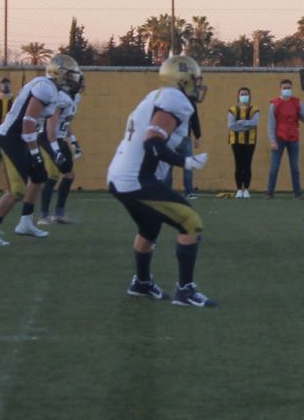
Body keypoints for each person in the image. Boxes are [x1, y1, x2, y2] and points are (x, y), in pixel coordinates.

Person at [106, 55, 215, 307]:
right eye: (194, 80)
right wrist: (185, 162)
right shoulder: (175, 99)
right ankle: (185, 291)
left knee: (149, 229)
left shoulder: (154, 96)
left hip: (118, 176)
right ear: (182, 80)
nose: (197, 86)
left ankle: (142, 283)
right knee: (190, 222)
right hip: (137, 179)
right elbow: (153, 142)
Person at [0, 54, 81, 246]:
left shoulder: (52, 89)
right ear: (57, 73)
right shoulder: (45, 88)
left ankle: (25, 223)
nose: (71, 79)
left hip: (24, 138)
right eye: (68, 75)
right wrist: (35, 154)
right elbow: (27, 122)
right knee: (17, 190)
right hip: (12, 138)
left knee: (39, 177)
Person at [39, 79, 83, 224]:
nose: (81, 85)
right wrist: (56, 149)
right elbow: (50, 126)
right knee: (52, 175)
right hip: (48, 139)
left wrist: (74, 141)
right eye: (77, 82)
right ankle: (43, 216)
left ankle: (58, 213)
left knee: (69, 175)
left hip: (60, 139)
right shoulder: (60, 98)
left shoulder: (74, 98)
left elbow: (66, 123)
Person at [266, 78, 304, 199]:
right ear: (280, 89)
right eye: (284, 88)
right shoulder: (274, 104)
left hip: (293, 139)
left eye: (289, 88)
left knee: (295, 168)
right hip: (279, 139)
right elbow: (271, 123)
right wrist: (272, 140)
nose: (287, 90)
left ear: (292, 88)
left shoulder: (297, 102)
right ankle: (269, 192)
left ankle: (297, 193)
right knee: (274, 167)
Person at [227, 87, 260, 198]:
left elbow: (255, 123)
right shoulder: (232, 109)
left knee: (247, 165)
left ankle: (246, 188)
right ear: (238, 96)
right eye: (242, 94)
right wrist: (246, 125)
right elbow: (231, 125)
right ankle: (238, 189)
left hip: (250, 141)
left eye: (246, 94)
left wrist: (240, 123)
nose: (244, 96)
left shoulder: (254, 109)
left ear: (249, 96)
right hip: (235, 141)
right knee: (238, 165)